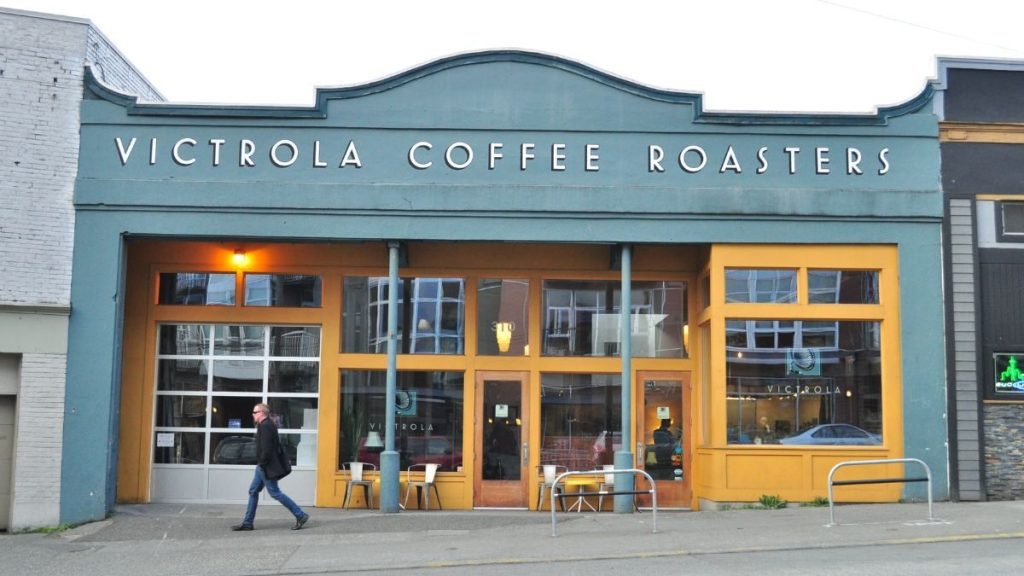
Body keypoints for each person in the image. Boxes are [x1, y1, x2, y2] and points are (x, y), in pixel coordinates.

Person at [232, 403, 309, 531]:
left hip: (266, 466)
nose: (253, 414)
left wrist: (262, 463)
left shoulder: (266, 426)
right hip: (263, 466)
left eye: (255, 412)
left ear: (262, 413)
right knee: (253, 491)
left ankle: (300, 515)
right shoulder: (266, 425)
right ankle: (248, 523)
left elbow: (267, 448)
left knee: (275, 492)